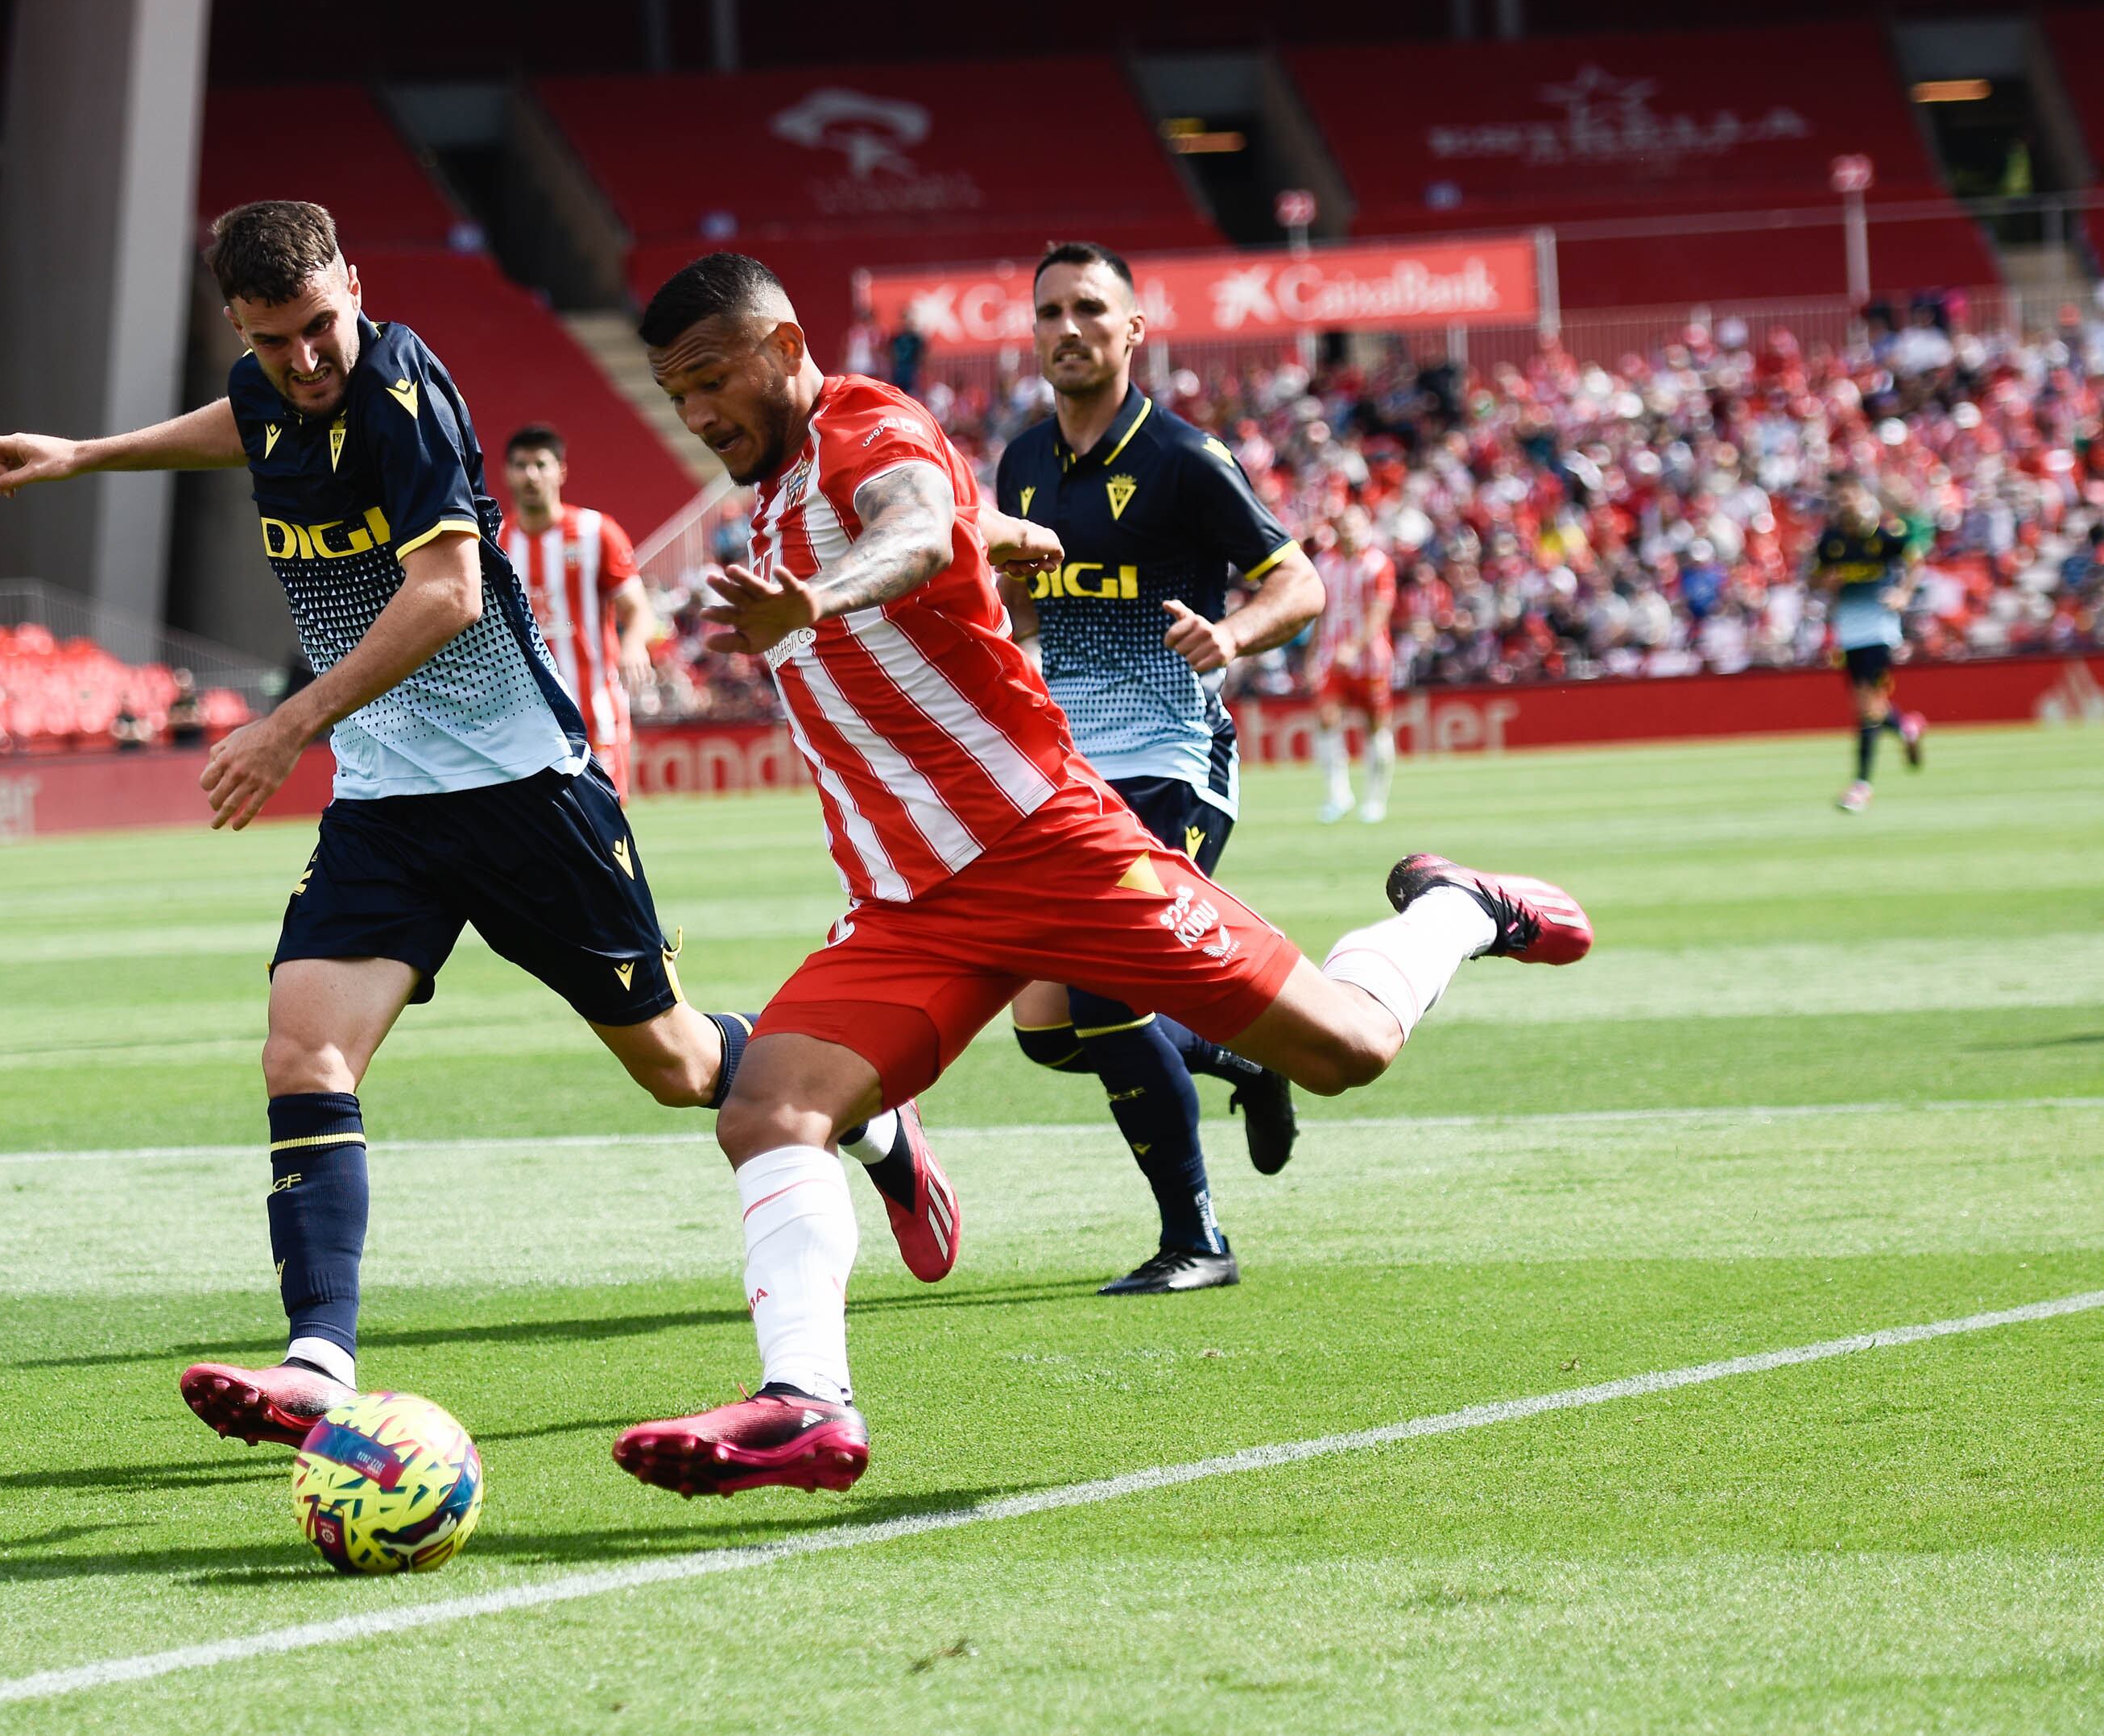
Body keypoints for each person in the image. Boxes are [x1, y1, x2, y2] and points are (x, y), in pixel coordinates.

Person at [0, 203, 960, 1449]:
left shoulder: (401, 387)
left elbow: (447, 592)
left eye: (322, 327)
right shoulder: (271, 386)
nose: (307, 361)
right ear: (241, 327)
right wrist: (88, 454)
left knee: (674, 1065)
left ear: (356, 290)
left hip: (524, 787)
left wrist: (288, 725)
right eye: (275, 340)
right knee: (302, 1050)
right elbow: (252, 422)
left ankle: (867, 1117)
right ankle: (321, 1356)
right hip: (387, 806)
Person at [606, 254, 1592, 1497]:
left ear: (785, 344)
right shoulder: (783, 486)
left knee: (1345, 1051)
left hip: (1052, 849)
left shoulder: (868, 424)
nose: (694, 414)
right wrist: (1002, 538)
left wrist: (820, 600)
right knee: (765, 1108)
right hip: (916, 900)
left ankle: (1460, 907)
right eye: (672, 391)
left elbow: (909, 521)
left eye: (710, 379)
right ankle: (808, 1401)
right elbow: (958, 529)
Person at [990, 243, 1325, 1298]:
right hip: (1068, 767)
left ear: (1135, 329)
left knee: (1106, 988)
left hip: (1176, 760)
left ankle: (1198, 1240)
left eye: (1092, 307)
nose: (1068, 325)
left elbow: (1301, 582)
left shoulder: (1185, 457)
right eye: (1050, 310)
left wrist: (1233, 634)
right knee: (1047, 1029)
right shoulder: (1022, 464)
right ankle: (1246, 1054)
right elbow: (1026, 610)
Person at [497, 424, 655, 799]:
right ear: (507, 473)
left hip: (595, 710)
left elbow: (638, 609)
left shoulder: (596, 531)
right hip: (521, 717)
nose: (531, 475)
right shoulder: (497, 542)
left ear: (561, 471)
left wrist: (633, 644)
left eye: (541, 464)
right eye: (521, 465)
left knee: (606, 821)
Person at [1808, 477, 1924, 812]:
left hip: (1879, 627)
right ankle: (1905, 727)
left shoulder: (1886, 535)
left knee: (1868, 708)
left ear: (1863, 500)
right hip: (1849, 630)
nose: (1847, 505)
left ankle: (1862, 785)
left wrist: (1903, 593)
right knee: (1868, 705)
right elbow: (1815, 578)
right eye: (1841, 500)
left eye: (1851, 498)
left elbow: (1916, 563)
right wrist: (1824, 581)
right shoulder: (1831, 541)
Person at [1310, 504, 1399, 825]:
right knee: (1326, 718)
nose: (1349, 531)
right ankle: (1338, 795)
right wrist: (1312, 655)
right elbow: (1320, 612)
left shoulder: (1378, 564)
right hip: (1332, 656)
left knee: (1375, 725)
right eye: (1344, 525)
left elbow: (1380, 611)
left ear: (1366, 527)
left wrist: (1355, 645)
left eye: (1354, 525)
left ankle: (1376, 800)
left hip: (1370, 659)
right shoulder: (1324, 564)